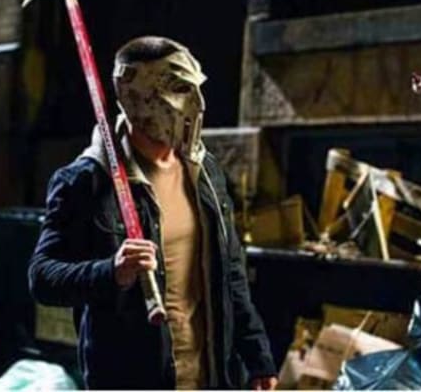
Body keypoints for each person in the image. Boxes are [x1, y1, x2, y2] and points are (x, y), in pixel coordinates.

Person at [28, 36, 277, 389]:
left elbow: (231, 274)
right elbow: (42, 278)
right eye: (179, 89)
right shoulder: (85, 181)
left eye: (194, 88)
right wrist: (111, 271)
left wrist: (258, 358)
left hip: (210, 378)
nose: (196, 103)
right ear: (137, 100)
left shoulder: (206, 172)